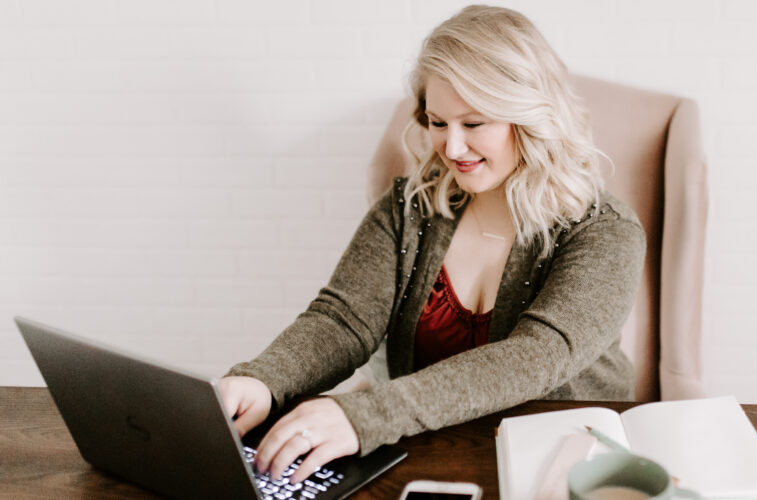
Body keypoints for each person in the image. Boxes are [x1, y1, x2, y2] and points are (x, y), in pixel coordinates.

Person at [219, 5, 646, 485]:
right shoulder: (410, 207)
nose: (452, 148)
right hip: (426, 453)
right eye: (438, 122)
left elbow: (538, 355)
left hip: (565, 465)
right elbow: (342, 319)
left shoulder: (604, 231)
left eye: (474, 123)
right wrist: (262, 378)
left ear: (526, 115)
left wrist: (365, 414)